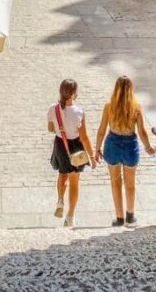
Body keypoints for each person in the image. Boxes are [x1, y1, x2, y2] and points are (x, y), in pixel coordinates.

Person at [94, 76, 156, 227]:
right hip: (130, 145)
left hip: (112, 144)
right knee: (130, 183)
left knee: (115, 182)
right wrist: (148, 146)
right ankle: (130, 215)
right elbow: (142, 131)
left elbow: (101, 130)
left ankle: (119, 218)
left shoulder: (109, 106)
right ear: (130, 90)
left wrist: (97, 149)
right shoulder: (136, 107)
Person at [47, 78, 95, 228]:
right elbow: (84, 137)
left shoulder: (52, 109)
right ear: (74, 94)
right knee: (74, 182)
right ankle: (70, 216)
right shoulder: (79, 112)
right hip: (75, 146)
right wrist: (92, 156)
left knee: (62, 174)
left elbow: (50, 129)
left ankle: (60, 200)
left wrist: (60, 128)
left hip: (61, 144)